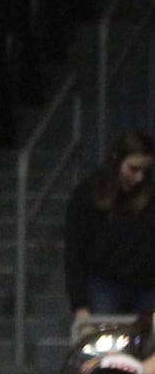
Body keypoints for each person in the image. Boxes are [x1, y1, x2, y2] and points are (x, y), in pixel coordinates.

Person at [64, 132, 155, 318]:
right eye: (133, 169)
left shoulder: (150, 196)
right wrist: (80, 305)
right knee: (104, 343)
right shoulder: (87, 195)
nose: (139, 178)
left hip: (147, 286)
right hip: (104, 284)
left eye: (144, 172)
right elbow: (73, 253)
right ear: (116, 159)